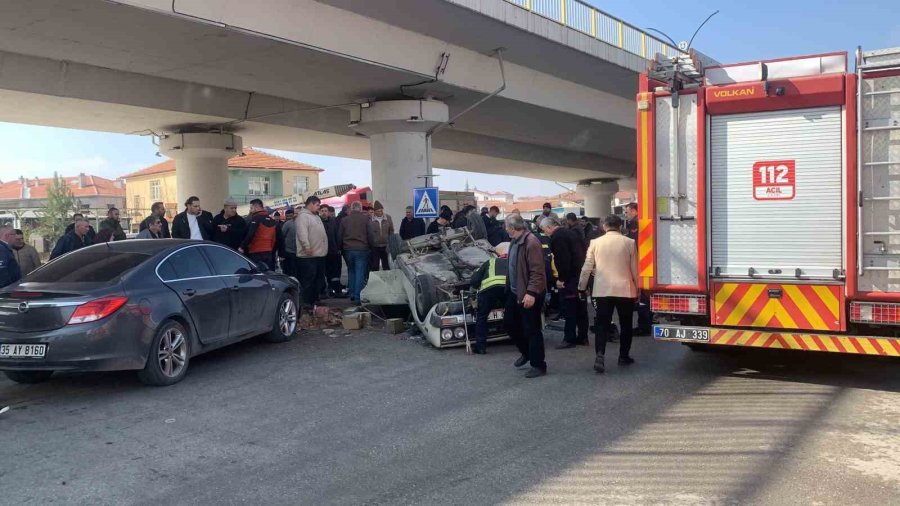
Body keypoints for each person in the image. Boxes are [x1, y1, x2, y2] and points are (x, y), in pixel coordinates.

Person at [578, 215, 639, 374]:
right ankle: (623, 356)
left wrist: (581, 287)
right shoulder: (629, 243)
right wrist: (638, 289)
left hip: (602, 290)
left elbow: (587, 268)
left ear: (604, 226)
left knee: (602, 324)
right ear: (620, 226)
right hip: (625, 289)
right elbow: (635, 270)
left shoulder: (595, 243)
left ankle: (600, 354)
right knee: (626, 324)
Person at [504, 214, 548, 378]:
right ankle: (527, 352)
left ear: (513, 228)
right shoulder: (515, 241)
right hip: (515, 292)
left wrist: (531, 293)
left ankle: (538, 365)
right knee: (509, 323)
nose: (506, 230)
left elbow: (537, 272)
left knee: (532, 329)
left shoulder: (531, 242)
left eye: (507, 227)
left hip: (529, 293)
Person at [542, 216, 589, 349]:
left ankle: (569, 338)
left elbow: (563, 260)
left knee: (569, 309)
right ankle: (583, 337)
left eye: (544, 230)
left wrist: (561, 279)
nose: (545, 233)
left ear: (549, 227)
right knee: (581, 308)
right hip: (580, 276)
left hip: (569, 279)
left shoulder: (558, 237)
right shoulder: (572, 234)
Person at [468, 242, 509, 355]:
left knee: (482, 316)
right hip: (506, 289)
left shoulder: (490, 261)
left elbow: (475, 281)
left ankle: (480, 347)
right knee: (512, 313)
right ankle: (515, 338)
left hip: (488, 291)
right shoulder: (512, 262)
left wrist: (474, 290)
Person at [338, 200, 375, 304]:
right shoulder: (366, 219)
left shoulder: (344, 220)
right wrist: (371, 246)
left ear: (351, 208)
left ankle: (352, 294)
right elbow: (370, 234)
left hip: (348, 249)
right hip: (362, 249)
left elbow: (339, 235)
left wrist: (340, 248)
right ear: (361, 208)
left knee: (351, 271)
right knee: (360, 272)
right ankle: (358, 296)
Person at [295, 196, 328, 306]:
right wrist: (306, 247)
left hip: (319, 254)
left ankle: (314, 299)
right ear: (310, 204)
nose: (319, 208)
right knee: (308, 280)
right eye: (317, 205)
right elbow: (302, 234)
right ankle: (307, 302)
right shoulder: (303, 217)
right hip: (308, 255)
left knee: (318, 279)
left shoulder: (315, 217)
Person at [240, 199, 281, 270]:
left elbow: (250, 234)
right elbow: (278, 238)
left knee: (257, 275)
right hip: (269, 252)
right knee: (268, 274)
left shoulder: (255, 219)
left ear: (256, 207)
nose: (250, 210)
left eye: (251, 208)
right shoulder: (272, 221)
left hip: (256, 252)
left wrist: (242, 247)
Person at [320, 205, 343, 297]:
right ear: (319, 212)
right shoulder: (318, 222)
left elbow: (338, 235)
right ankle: (325, 290)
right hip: (322, 252)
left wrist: (339, 248)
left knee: (335, 272)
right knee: (324, 272)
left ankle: (336, 290)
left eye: (325, 211)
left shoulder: (334, 221)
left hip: (334, 251)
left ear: (328, 212)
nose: (324, 212)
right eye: (322, 210)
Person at [369, 200, 393, 272]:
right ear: (374, 211)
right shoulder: (370, 219)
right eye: (378, 211)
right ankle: (376, 281)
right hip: (375, 246)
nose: (380, 213)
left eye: (381, 211)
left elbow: (391, 230)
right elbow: (368, 232)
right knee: (375, 266)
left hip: (385, 245)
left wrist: (390, 241)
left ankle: (388, 281)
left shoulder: (388, 218)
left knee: (386, 265)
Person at [280, 207, 297, 278]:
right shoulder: (287, 224)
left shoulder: (300, 223)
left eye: (291, 216)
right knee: (288, 270)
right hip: (288, 251)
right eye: (287, 216)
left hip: (298, 252)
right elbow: (281, 237)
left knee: (295, 270)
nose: (289, 217)